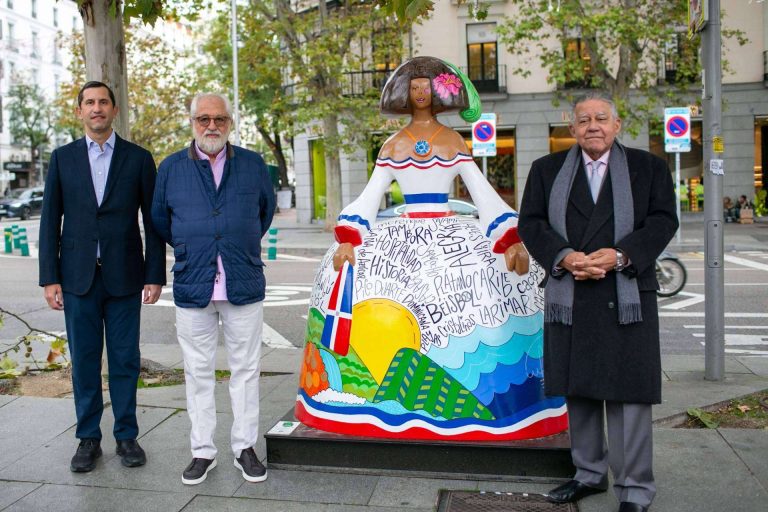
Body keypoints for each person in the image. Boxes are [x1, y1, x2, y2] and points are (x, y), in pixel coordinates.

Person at [293, 57, 572, 444]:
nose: (420, 92)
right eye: (414, 86)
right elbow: (371, 196)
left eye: (426, 86)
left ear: (438, 92)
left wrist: (509, 239)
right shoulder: (393, 145)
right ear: (404, 94)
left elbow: (480, 191)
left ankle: (510, 407)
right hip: (403, 232)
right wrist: (349, 237)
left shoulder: (452, 141)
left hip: (449, 227)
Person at [518, 91, 678, 512]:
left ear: (617, 125)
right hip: (571, 294)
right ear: (571, 129)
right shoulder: (546, 170)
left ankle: (635, 488)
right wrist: (564, 257)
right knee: (580, 389)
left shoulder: (649, 168)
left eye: (601, 118)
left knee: (629, 396)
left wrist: (622, 254)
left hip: (626, 295)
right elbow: (530, 222)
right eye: (584, 119)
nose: (593, 126)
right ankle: (588, 474)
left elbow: (663, 220)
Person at [38, 81, 166, 473]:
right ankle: (88, 438)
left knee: (125, 360)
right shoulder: (62, 159)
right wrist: (49, 277)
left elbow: (153, 220)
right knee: (84, 362)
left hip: (125, 277)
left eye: (103, 102)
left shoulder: (139, 159)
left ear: (114, 109)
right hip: (77, 280)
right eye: (89, 103)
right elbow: (49, 221)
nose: (96, 108)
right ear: (80, 111)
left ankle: (127, 435)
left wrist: (154, 274)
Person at [151, 93, 276, 485]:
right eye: (203, 118)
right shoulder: (171, 168)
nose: (211, 126)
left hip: (243, 279)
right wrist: (195, 244)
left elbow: (264, 213)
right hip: (193, 282)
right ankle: (202, 451)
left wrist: (232, 242)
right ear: (191, 122)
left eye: (219, 119)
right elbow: (160, 220)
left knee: (246, 370)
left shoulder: (254, 165)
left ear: (230, 123)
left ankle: (244, 447)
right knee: (198, 371)